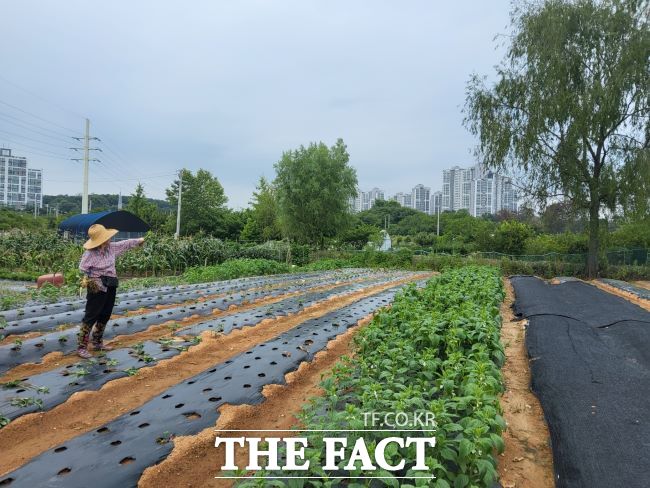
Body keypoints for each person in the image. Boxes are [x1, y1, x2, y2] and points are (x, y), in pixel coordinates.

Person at [77, 224, 145, 358]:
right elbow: (83, 269)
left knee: (105, 313)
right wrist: (89, 279)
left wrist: (139, 241)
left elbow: (125, 244)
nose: (109, 239)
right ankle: (81, 347)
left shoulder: (111, 248)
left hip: (111, 284)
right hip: (97, 286)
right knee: (91, 315)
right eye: (106, 238)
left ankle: (97, 342)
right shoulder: (89, 253)